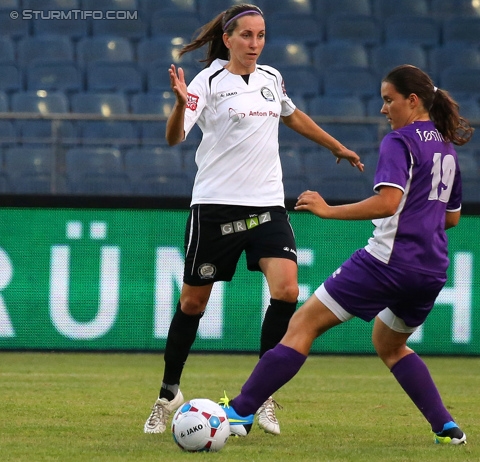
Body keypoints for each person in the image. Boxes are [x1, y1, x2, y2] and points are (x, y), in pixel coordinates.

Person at [218, 64, 473, 445]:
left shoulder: (399, 142)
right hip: (431, 269)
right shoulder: (445, 147)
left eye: (389, 100)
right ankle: (447, 428)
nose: (384, 109)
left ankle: (239, 412)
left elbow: (388, 203)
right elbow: (451, 217)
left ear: (413, 100)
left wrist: (328, 209)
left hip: (389, 261)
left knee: (303, 325)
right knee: (390, 344)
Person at [143, 3, 363, 437]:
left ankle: (259, 398)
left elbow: (291, 113)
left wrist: (334, 146)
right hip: (215, 207)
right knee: (193, 304)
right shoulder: (205, 82)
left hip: (266, 206)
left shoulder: (271, 78)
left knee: (287, 291)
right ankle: (169, 393)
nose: (255, 44)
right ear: (227, 39)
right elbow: (174, 137)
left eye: (261, 36)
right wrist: (177, 103)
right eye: (247, 35)